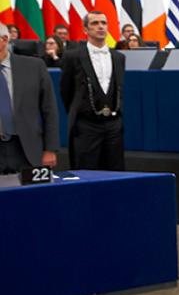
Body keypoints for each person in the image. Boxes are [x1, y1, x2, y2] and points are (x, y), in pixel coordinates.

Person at [61, 11, 126, 170]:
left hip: (113, 125)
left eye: (104, 23)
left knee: (115, 171)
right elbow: (66, 91)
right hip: (86, 125)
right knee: (86, 171)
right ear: (85, 30)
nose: (100, 27)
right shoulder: (73, 56)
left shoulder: (119, 57)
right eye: (95, 23)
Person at [0, 29, 59, 173]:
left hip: (27, 149)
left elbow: (49, 110)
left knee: (30, 195)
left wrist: (50, 149)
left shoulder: (34, 67)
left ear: (4, 39)